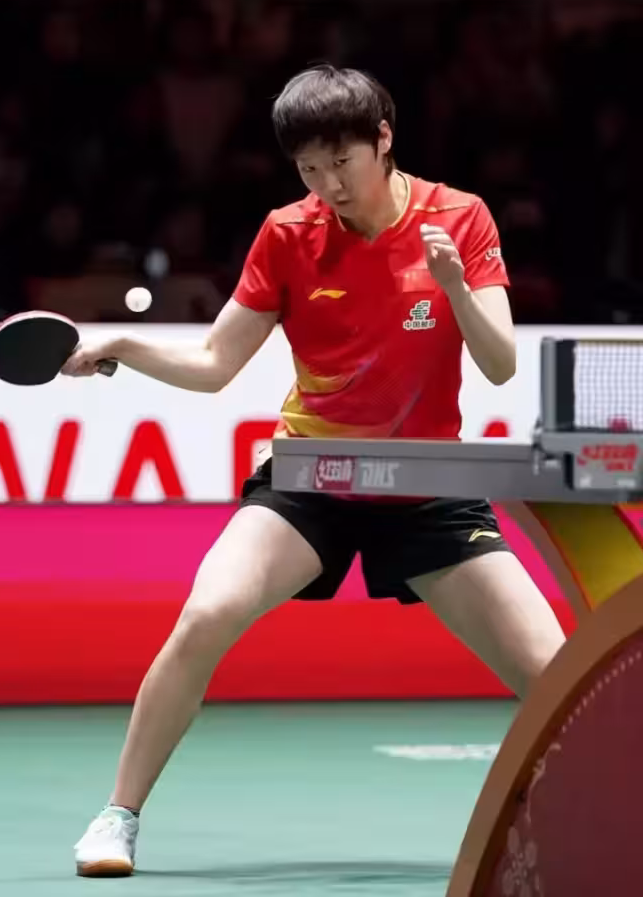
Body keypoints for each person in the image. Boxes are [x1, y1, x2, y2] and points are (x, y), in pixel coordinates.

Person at [65, 64, 567, 877]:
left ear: (383, 139)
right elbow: (215, 364)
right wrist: (122, 344)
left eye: (342, 161)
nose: (329, 185)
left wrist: (455, 287)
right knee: (206, 613)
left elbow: (501, 363)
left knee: (556, 673)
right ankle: (117, 816)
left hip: (426, 486)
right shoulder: (287, 234)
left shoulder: (459, 217)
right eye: (308, 168)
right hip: (313, 477)